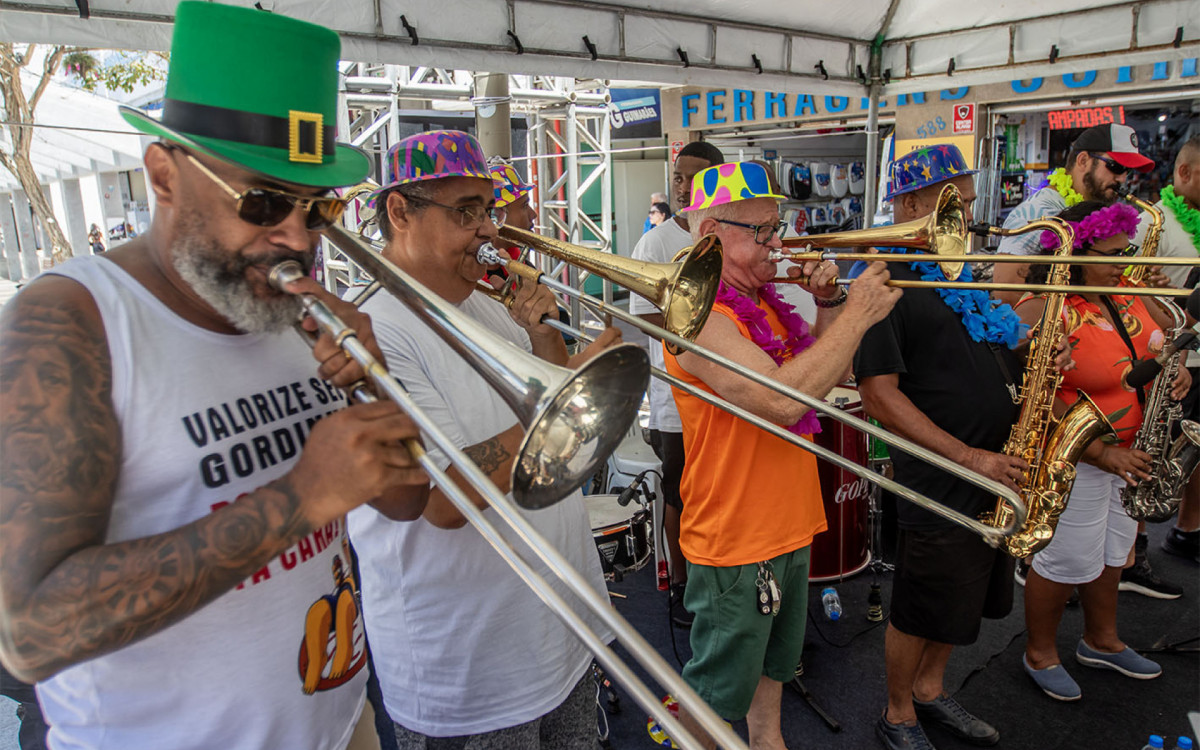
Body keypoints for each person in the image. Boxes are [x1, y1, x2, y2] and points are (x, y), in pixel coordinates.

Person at [0, 4, 429, 749]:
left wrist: (372, 387)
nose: (295, 237)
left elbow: (406, 500)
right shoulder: (74, 324)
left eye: (316, 206)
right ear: (165, 174)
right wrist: (300, 497)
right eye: (262, 201)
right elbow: (32, 632)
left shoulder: (288, 311)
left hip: (342, 725)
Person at [348, 130, 620, 748]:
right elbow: (444, 501)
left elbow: (559, 422)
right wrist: (568, 394)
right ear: (400, 212)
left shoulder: (486, 300)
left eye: (489, 211)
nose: (490, 231)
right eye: (466, 212)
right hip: (474, 668)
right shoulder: (373, 331)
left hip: (559, 625)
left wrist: (551, 341)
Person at [664, 160, 900, 748]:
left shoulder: (765, 300)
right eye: (763, 230)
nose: (780, 241)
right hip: (736, 535)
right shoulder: (695, 315)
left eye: (779, 224)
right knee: (715, 697)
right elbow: (780, 401)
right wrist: (861, 314)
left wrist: (827, 306)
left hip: (789, 523)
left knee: (773, 674)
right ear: (711, 235)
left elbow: (826, 373)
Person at [855, 144, 1030, 749]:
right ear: (909, 202)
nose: (968, 211)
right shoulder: (884, 279)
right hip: (942, 475)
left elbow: (983, 345)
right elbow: (879, 395)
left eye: (967, 196)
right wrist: (970, 457)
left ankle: (931, 688)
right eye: (951, 199)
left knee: (966, 600)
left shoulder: (956, 274)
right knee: (923, 603)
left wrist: (1032, 351)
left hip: (994, 473)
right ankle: (897, 712)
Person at [1018, 201, 1191, 702]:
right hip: (1079, 456)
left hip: (1136, 450)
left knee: (1116, 552)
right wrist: (1098, 452)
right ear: (1073, 251)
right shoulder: (1044, 305)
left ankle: (1101, 640)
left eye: (1126, 250)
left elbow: (1159, 348)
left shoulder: (1128, 290)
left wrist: (1173, 371)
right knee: (1063, 559)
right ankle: (1040, 652)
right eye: (1111, 253)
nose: (1123, 261)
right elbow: (1030, 398)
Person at [628, 140, 724, 629]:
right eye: (678, 175)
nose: (681, 184)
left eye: (692, 176)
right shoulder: (656, 241)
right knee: (679, 491)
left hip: (723, 396)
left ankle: (716, 576)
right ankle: (682, 582)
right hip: (674, 396)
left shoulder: (727, 235)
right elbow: (643, 316)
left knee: (717, 489)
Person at [1131, 134, 1200, 565]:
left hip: (1196, 358)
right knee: (1149, 456)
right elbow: (1126, 289)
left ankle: (1188, 530)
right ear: (1184, 173)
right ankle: (1131, 552)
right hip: (1171, 358)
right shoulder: (1153, 223)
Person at [992, 123, 1153, 307]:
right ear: (1083, 160)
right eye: (1115, 167)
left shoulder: (1093, 211)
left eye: (1127, 171)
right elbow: (1006, 291)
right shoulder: (1041, 210)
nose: (1122, 179)